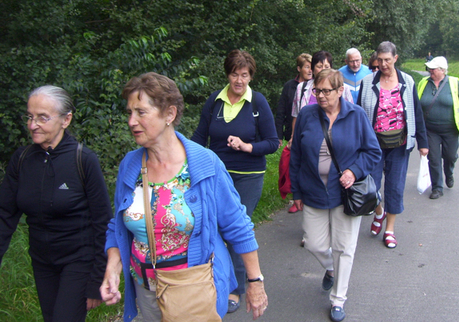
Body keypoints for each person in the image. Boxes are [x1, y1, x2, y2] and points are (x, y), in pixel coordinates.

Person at [100, 72, 268, 321]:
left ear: (169, 114)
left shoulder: (203, 164)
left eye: (141, 112)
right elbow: (117, 225)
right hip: (144, 290)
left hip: (192, 290)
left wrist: (255, 281)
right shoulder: (130, 166)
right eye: (129, 113)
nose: (131, 121)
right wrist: (113, 267)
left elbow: (238, 225)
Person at [0, 85, 112, 322]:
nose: (32, 125)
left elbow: (103, 221)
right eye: (30, 117)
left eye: (42, 118)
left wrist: (96, 279)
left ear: (66, 120)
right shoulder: (22, 160)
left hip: (78, 261)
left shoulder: (83, 160)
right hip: (42, 261)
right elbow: (5, 214)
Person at [290, 69, 381, 322]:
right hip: (312, 192)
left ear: (341, 91)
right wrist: (296, 190)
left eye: (326, 91)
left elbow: (373, 152)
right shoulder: (307, 115)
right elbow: (295, 154)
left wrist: (353, 171)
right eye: (317, 91)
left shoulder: (356, 116)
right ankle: (331, 268)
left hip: (345, 195)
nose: (320, 96)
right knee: (314, 243)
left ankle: (338, 299)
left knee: (345, 248)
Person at [190, 50, 278, 313]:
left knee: (238, 229)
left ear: (251, 76)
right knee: (213, 229)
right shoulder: (214, 102)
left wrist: (246, 147)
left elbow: (272, 142)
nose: (239, 80)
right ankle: (212, 279)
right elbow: (199, 137)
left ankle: (235, 287)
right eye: (234, 74)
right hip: (216, 177)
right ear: (227, 74)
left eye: (244, 75)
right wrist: (184, 161)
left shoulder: (258, 103)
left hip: (248, 176)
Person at [358, 41, 429, 249]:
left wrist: (423, 143)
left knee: (395, 187)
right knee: (371, 185)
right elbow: (359, 115)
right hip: (373, 146)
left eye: (387, 60)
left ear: (395, 59)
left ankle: (389, 229)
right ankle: (378, 212)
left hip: (400, 144)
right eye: (379, 60)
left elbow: (416, 112)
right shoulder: (367, 82)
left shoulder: (407, 81)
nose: (383, 64)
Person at [417, 56, 459, 199]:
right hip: (430, 130)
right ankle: (437, 187)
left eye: (433, 69)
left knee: (450, 156)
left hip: (450, 130)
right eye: (429, 68)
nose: (430, 71)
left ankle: (449, 172)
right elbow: (417, 104)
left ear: (442, 70)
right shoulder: (424, 83)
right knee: (434, 158)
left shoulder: (453, 83)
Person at [290, 51, 353, 139]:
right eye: (319, 66)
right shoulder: (301, 88)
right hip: (307, 137)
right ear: (313, 69)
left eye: (326, 66)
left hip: (337, 136)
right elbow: (296, 115)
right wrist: (293, 136)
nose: (323, 69)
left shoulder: (342, 88)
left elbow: (351, 114)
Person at [275, 53, 312, 148]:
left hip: (310, 132)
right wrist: (278, 135)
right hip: (291, 133)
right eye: (307, 67)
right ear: (299, 69)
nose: (310, 71)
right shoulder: (289, 86)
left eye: (312, 67)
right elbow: (281, 111)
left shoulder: (316, 86)